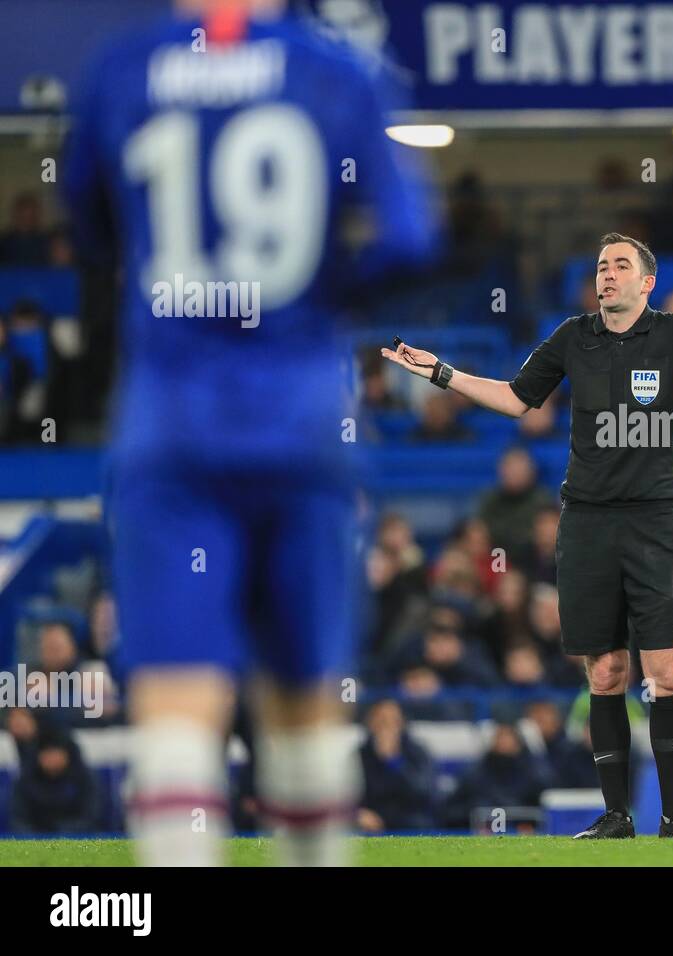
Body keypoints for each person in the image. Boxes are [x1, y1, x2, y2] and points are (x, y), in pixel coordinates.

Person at [61, 0, 437, 864]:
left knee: (178, 710)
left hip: (172, 420)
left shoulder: (125, 69)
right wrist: (315, 297)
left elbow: (87, 221)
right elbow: (413, 241)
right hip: (301, 416)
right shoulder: (336, 71)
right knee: (306, 708)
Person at [382, 232, 673, 839]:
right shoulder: (572, 337)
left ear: (645, 282)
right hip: (588, 525)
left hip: (654, 523)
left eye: (620, 265)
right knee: (604, 674)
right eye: (601, 265)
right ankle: (616, 816)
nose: (606, 274)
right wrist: (442, 373)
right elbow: (518, 400)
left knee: (668, 673)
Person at [356, 700, 439, 833]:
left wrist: (393, 761)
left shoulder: (417, 752)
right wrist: (358, 813)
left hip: (409, 819)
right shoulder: (359, 755)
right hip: (372, 820)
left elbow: (424, 792)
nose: (386, 727)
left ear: (402, 723)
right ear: (370, 723)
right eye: (381, 721)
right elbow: (347, 795)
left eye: (392, 721)